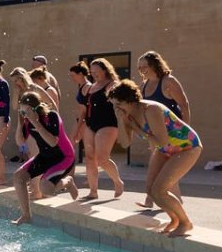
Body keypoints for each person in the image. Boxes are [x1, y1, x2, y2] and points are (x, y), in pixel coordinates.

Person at [110, 79, 203, 236]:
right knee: (151, 190)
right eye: (113, 105)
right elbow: (125, 143)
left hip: (186, 147)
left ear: (130, 101)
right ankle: (175, 219)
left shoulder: (150, 110)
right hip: (165, 149)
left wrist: (139, 130)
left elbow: (162, 140)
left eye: (118, 104)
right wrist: (120, 120)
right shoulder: (127, 115)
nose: (116, 108)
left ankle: (186, 223)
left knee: (160, 189)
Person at [11, 92, 79, 225]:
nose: (24, 115)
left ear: (33, 109)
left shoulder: (52, 116)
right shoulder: (27, 121)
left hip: (63, 157)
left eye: (25, 112)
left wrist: (36, 123)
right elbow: (20, 142)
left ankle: (68, 181)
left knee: (46, 189)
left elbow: (53, 142)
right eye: (22, 112)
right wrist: (20, 123)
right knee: (18, 177)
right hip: (45, 156)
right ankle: (26, 215)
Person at [136, 50, 192, 209]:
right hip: (156, 132)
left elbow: (184, 106)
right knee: (157, 165)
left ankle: (176, 202)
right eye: (139, 68)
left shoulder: (169, 82)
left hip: (173, 132)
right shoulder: (144, 85)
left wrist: (185, 129)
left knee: (167, 167)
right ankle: (151, 199)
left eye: (144, 67)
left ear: (155, 65)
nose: (141, 71)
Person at [81, 58, 124, 200]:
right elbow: (84, 108)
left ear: (105, 70)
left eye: (97, 71)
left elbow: (121, 104)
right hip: (90, 124)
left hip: (107, 123)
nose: (94, 74)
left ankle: (117, 182)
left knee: (102, 158)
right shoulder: (91, 87)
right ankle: (93, 192)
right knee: (89, 157)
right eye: (92, 71)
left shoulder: (113, 84)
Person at [67, 62, 93, 144]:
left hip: (85, 121)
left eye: (73, 75)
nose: (72, 78)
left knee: (72, 141)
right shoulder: (82, 86)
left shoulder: (87, 87)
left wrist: (78, 127)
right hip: (81, 120)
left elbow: (84, 110)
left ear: (81, 74)